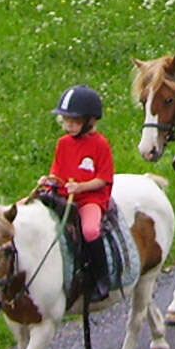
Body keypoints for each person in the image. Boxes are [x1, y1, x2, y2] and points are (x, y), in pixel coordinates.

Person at [46, 83, 114, 304]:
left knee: (90, 230)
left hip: (90, 199)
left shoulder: (100, 144)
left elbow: (103, 178)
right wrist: (49, 181)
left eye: (74, 122)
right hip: (66, 196)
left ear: (89, 122)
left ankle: (102, 277)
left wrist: (81, 188)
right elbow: (57, 173)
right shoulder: (63, 144)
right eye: (66, 121)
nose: (69, 126)